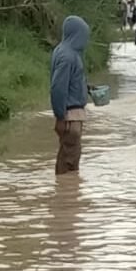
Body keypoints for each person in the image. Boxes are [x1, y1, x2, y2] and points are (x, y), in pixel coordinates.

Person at [49, 16, 90, 175]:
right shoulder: (68, 57)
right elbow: (58, 88)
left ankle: (67, 192)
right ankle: (67, 194)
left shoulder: (65, 51)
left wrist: (86, 88)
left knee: (68, 155)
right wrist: (60, 115)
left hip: (71, 114)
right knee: (69, 161)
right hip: (70, 116)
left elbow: (70, 81)